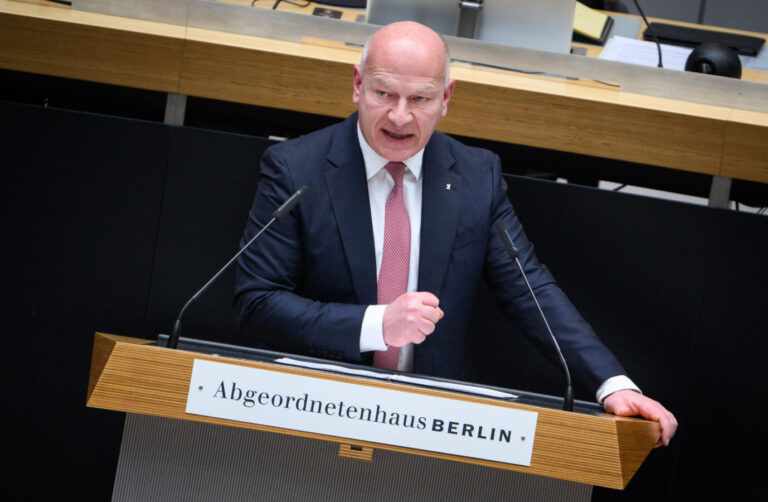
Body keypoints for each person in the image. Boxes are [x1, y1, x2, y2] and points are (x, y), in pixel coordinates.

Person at [235, 21, 676, 446]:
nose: (400, 116)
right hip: (313, 408)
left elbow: (529, 289)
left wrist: (611, 384)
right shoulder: (295, 169)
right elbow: (258, 301)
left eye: (421, 98)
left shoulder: (475, 176)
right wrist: (377, 324)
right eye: (383, 93)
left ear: (445, 98)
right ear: (357, 85)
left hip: (432, 421)